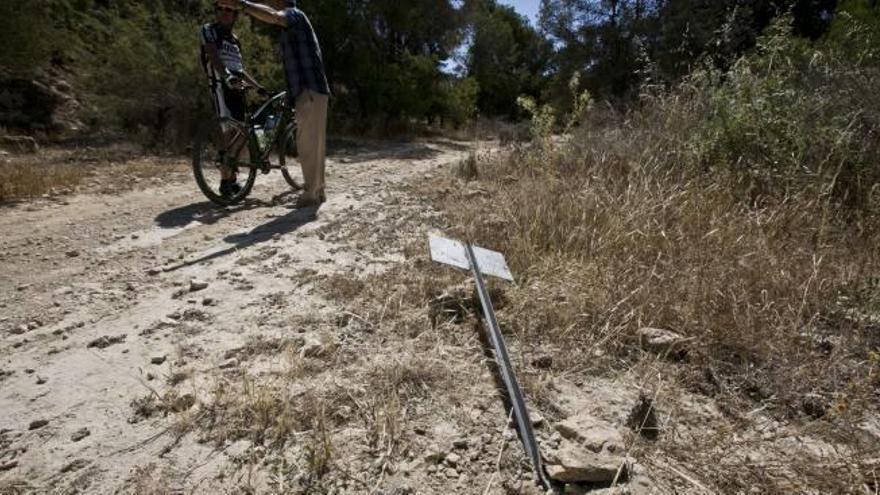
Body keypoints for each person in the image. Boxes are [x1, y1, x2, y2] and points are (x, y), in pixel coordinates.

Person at [219, 0, 330, 208]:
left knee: (308, 143)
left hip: (310, 88)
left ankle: (311, 195)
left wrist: (242, 5)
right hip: (309, 89)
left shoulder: (294, 14)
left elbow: (274, 16)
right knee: (314, 142)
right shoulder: (293, 23)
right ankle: (318, 190)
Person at [200, 1, 268, 198]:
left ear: (235, 14)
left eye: (229, 9)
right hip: (221, 86)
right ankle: (225, 182)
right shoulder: (209, 30)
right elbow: (213, 55)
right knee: (228, 133)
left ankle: (232, 178)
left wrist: (257, 86)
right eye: (220, 8)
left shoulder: (235, 39)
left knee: (242, 133)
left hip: (238, 89)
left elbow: (240, 68)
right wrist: (226, 75)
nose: (224, 12)